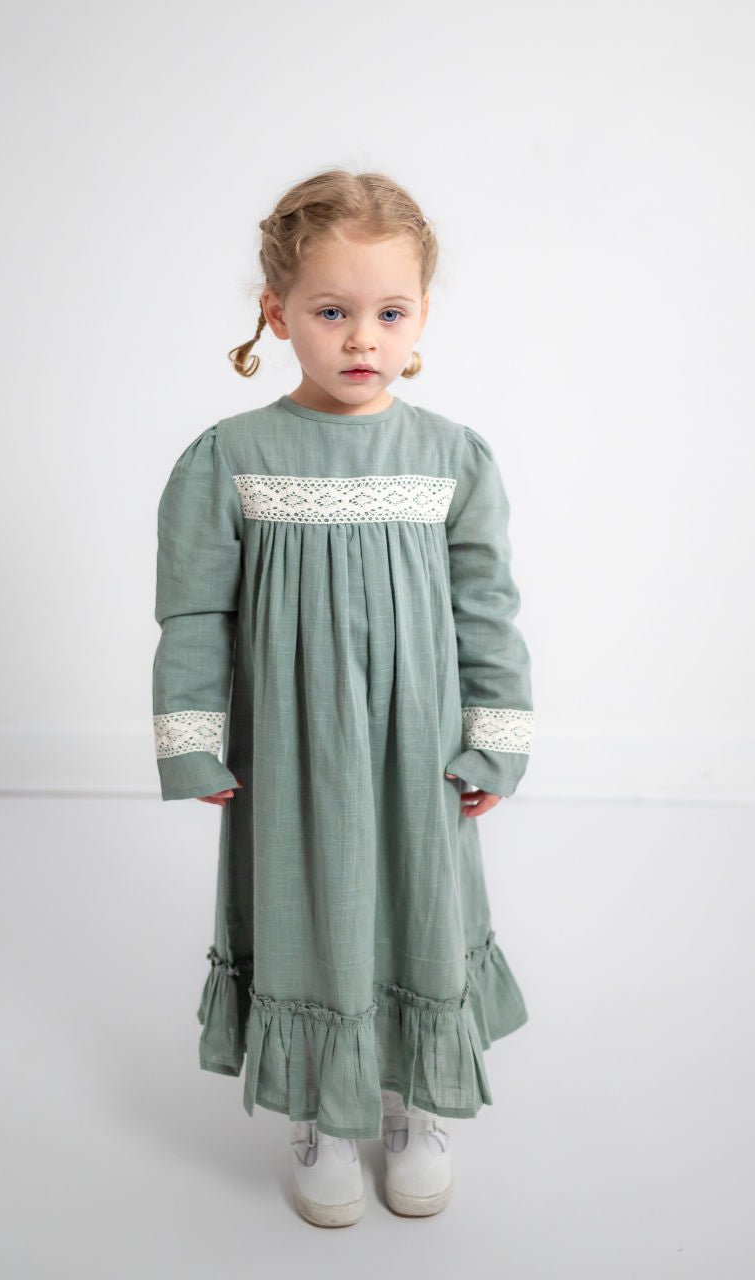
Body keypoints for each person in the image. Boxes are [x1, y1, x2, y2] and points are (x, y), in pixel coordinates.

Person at [151, 169, 534, 1227]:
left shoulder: (450, 457)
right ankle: (318, 1107)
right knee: (303, 900)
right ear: (276, 313)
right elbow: (194, 611)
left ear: (421, 317)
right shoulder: (231, 457)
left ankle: (413, 1102)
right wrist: (192, 738)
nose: (362, 338)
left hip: (420, 746)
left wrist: (497, 737)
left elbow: (487, 609)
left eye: (389, 313)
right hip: (290, 745)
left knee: (418, 898)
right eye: (331, 311)